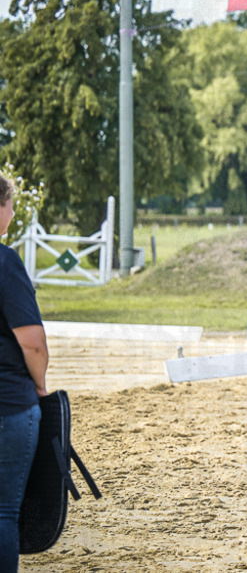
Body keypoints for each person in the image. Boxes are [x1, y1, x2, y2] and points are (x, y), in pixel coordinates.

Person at [0, 175, 48, 571]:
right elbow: (31, 341)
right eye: (10, 205)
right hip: (6, 404)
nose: (13, 213)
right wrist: (40, 384)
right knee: (1, 512)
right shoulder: (5, 262)